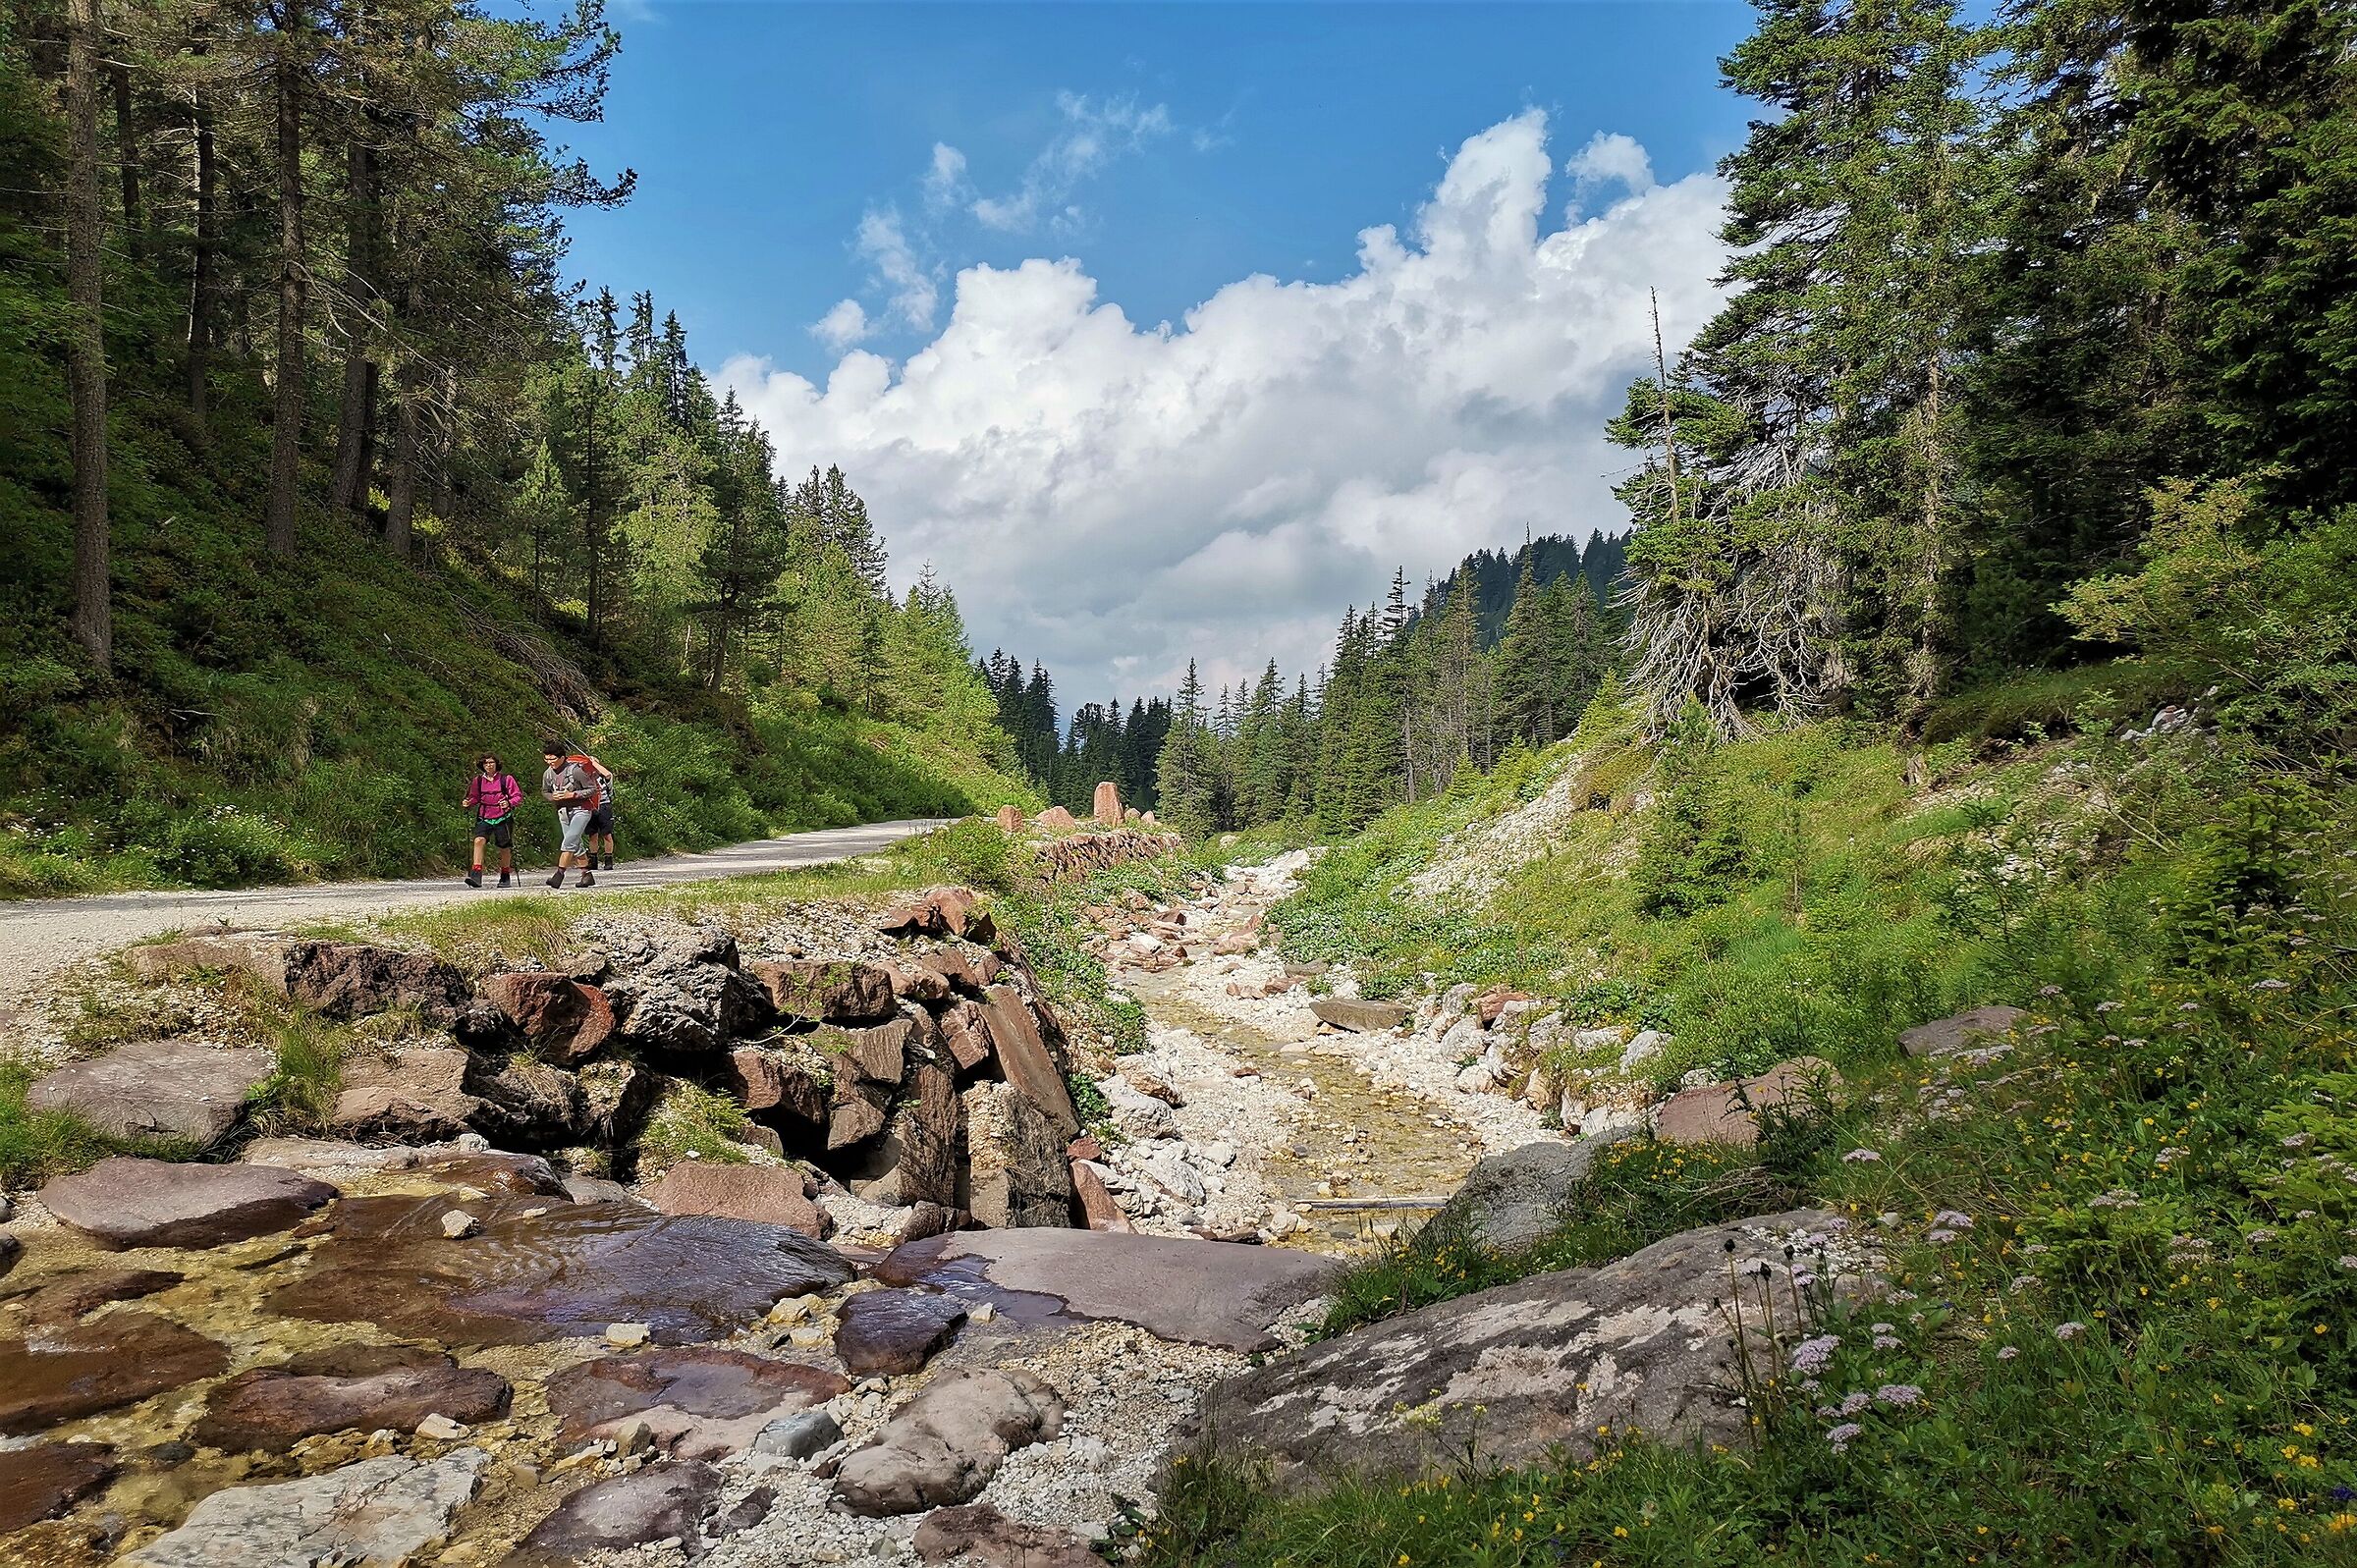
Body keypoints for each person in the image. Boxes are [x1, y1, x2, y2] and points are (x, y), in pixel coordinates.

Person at [540, 741, 599, 889]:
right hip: (563, 811)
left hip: (581, 810)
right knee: (575, 844)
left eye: (552, 759)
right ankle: (586, 875)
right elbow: (545, 791)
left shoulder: (576, 771)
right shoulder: (548, 773)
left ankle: (559, 875)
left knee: (569, 842)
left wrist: (572, 794)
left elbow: (592, 789)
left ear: (562, 757)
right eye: (547, 759)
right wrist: (553, 797)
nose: (550, 762)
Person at [462, 752, 522, 889]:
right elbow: (475, 797)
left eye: (491, 762)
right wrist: (468, 802)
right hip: (485, 816)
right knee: (478, 840)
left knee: (504, 847)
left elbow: (517, 796)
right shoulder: (478, 780)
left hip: (503, 816)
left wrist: (509, 803)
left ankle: (505, 876)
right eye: (486, 763)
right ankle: (476, 875)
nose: (488, 765)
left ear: (496, 764)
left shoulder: (506, 779)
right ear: (482, 765)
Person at [579, 750, 618, 872]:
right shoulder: (585, 778)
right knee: (592, 834)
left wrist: (594, 763)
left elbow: (608, 775)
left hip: (604, 806)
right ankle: (593, 860)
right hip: (591, 807)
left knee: (607, 834)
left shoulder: (603, 778)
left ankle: (608, 860)